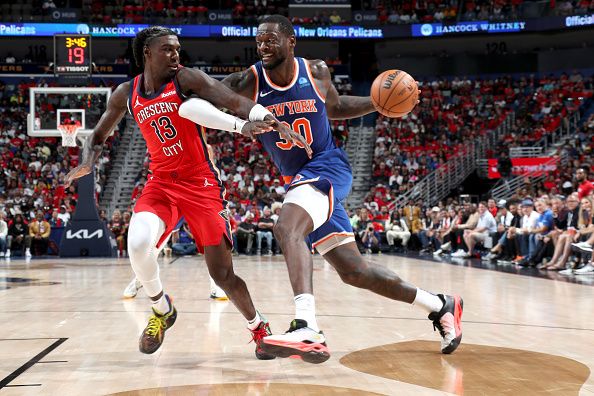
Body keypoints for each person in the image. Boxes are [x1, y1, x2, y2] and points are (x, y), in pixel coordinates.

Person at [218, 15, 463, 363]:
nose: (263, 46)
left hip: (327, 168)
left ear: (291, 42)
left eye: (271, 39)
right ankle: (441, 305)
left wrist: (376, 103)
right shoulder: (248, 81)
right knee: (354, 272)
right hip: (299, 182)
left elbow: (333, 106)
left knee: (286, 227)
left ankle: (307, 325)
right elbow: (208, 95)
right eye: (259, 41)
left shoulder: (315, 71)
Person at [65, 26, 306, 359]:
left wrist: (267, 120)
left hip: (200, 184)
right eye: (167, 49)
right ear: (147, 53)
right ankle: (162, 309)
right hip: (161, 183)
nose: (176, 54)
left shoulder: (187, 78)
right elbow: (96, 136)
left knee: (222, 275)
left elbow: (232, 100)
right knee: (136, 243)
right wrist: (89, 162)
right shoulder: (126, 93)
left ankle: (258, 327)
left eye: (178, 48)